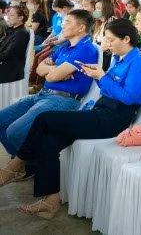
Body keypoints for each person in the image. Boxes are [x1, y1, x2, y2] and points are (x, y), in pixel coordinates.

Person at [0, 19, 141, 218]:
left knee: (45, 119)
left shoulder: (139, 62)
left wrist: (102, 77)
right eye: (105, 39)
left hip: (113, 120)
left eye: (111, 40)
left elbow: (131, 98)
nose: (106, 44)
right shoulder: (118, 59)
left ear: (126, 39)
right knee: (49, 142)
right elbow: (107, 90)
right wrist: (98, 77)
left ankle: (16, 165)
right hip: (100, 112)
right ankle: (50, 201)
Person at [0, 10, 98, 157]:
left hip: (63, 99)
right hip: (44, 94)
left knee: (14, 131)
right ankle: (24, 163)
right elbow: (40, 69)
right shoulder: (66, 46)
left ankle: (28, 164)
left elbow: (51, 77)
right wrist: (56, 69)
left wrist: (52, 71)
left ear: (81, 28)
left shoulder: (86, 49)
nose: (62, 25)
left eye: (67, 22)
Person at [0, 5, 31, 83]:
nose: (8, 17)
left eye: (11, 15)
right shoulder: (13, 31)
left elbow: (8, 54)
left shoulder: (21, 34)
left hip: (10, 69)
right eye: (8, 15)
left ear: (20, 18)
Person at [92, 0, 117, 70]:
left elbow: (108, 44)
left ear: (106, 9)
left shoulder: (112, 22)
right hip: (99, 56)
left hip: (106, 58)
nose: (95, 11)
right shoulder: (99, 23)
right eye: (95, 8)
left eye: (98, 8)